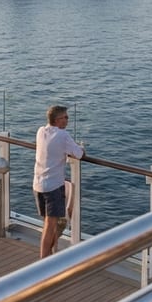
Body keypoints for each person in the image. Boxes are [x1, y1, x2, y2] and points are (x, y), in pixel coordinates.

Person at [33, 105, 85, 258]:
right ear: (57, 120)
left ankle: (50, 255)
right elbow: (79, 154)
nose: (68, 120)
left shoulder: (41, 131)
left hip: (38, 184)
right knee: (50, 225)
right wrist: (81, 148)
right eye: (65, 117)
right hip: (53, 186)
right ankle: (44, 261)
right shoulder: (63, 135)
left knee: (48, 223)